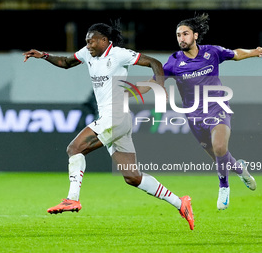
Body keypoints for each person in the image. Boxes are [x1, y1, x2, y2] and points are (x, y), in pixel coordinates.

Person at [23, 21, 194, 230]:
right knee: (132, 177)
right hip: (115, 118)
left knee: (74, 149)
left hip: (116, 116)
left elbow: (155, 63)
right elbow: (66, 62)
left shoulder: (120, 54)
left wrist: (159, 85)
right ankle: (180, 202)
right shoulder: (87, 54)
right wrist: (45, 56)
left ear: (104, 40)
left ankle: (71, 198)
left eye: (92, 40)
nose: (88, 44)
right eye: (86, 41)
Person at [147, 13, 260, 210]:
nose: (181, 38)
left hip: (218, 107)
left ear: (195, 35)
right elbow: (157, 79)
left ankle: (224, 186)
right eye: (178, 35)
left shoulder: (212, 52)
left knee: (219, 147)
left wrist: (255, 51)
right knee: (219, 155)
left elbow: (236, 53)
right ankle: (240, 170)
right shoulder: (174, 62)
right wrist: (132, 91)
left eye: (185, 34)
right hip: (194, 116)